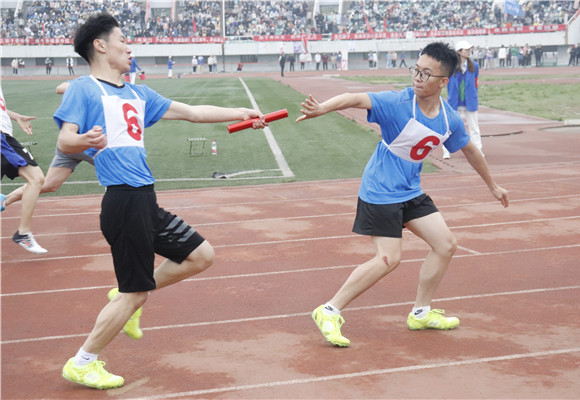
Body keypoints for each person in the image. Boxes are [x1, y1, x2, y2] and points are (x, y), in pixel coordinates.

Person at [56, 13, 266, 390]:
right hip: (123, 201)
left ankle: (126, 296)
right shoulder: (83, 89)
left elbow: (192, 113)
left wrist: (242, 113)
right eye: (122, 40)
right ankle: (83, 362)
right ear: (100, 46)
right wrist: (85, 140)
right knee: (134, 294)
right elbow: (64, 141)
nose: (129, 47)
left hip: (145, 200)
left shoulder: (138, 94)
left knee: (200, 256)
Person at [296, 41, 508, 347]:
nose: (417, 78)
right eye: (416, 70)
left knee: (445, 245)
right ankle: (329, 310)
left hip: (410, 190)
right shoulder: (398, 103)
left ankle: (420, 313)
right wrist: (323, 108)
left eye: (426, 74)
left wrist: (492, 185)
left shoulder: (448, 118)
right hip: (380, 190)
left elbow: (470, 150)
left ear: (443, 82)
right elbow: (356, 97)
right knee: (388, 259)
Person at [2, 82, 96, 214]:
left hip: (70, 144)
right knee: (119, 176)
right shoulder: (91, 84)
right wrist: (88, 90)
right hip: (87, 143)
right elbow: (60, 88)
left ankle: (5, 200)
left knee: (48, 184)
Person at [0, 85, 47, 254]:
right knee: (36, 178)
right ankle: (23, 233)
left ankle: (23, 233)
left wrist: (16, 116)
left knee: (37, 179)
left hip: (5, 136)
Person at [443, 40, 484, 159]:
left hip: (470, 101)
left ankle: (478, 150)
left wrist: (473, 95)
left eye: (469, 50)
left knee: (474, 127)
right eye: (466, 50)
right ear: (459, 52)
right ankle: (446, 150)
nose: (468, 52)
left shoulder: (474, 66)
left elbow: (475, 82)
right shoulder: (450, 66)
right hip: (454, 101)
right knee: (449, 127)